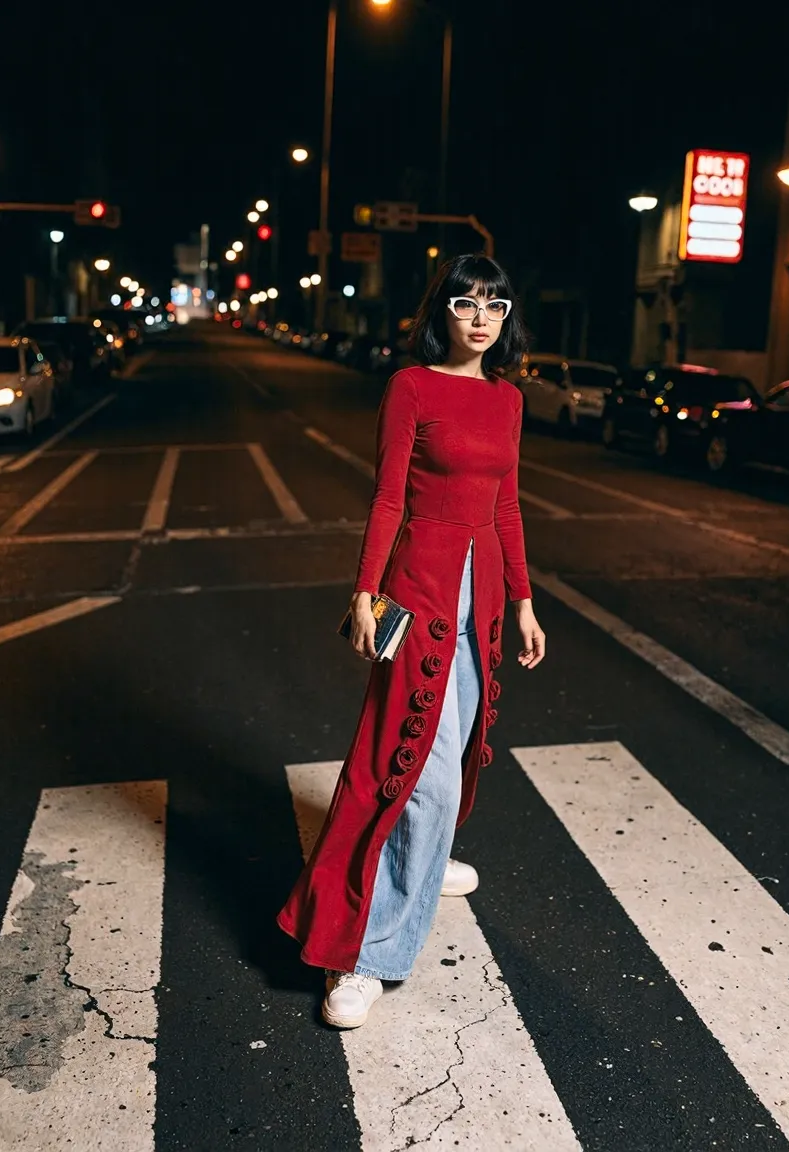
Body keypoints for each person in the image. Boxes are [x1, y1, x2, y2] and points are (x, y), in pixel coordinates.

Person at [277, 253, 546, 1029]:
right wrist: (365, 591)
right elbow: (390, 494)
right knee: (416, 772)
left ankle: (424, 865)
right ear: (444, 314)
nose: (480, 316)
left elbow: (507, 508)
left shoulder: (509, 400)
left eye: (495, 304)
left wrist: (525, 601)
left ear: (506, 319)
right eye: (465, 302)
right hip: (420, 593)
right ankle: (368, 956)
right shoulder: (412, 387)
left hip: (484, 597)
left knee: (454, 753)